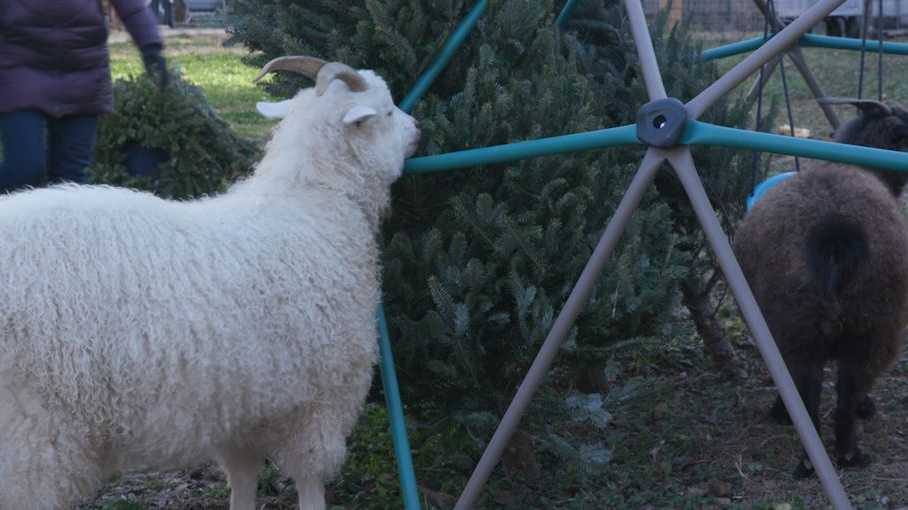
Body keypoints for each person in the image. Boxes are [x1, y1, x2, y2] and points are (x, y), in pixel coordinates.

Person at [0, 0, 169, 192]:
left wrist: (150, 47)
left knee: (70, 183)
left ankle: (60, 223)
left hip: (83, 75)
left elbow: (131, 5)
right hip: (20, 71)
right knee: (24, 171)